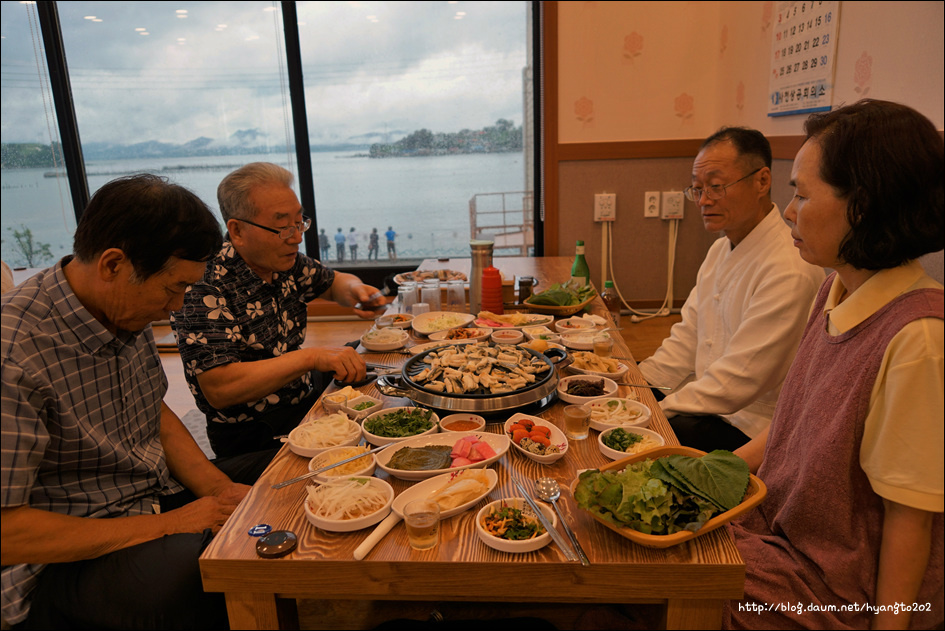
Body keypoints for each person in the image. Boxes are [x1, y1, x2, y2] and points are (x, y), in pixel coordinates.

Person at [726, 100, 943, 629]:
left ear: (862, 207)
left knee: (647, 594)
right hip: (781, 537)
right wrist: (706, 473)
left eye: (801, 192)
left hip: (836, 591)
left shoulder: (918, 337)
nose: (787, 210)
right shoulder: (837, 285)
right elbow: (793, 424)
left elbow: (910, 519)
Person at [1, 174, 248, 629]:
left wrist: (218, 491)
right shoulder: (15, 354)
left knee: (279, 477)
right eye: (172, 288)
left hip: (148, 497)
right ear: (113, 264)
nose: (176, 307)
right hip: (61, 561)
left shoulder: (122, 308)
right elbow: (8, 532)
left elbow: (152, 411)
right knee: (222, 566)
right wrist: (173, 525)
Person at [173, 163, 385, 459]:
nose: (296, 237)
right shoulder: (204, 284)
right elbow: (220, 387)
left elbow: (333, 282)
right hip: (251, 435)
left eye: (299, 222)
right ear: (237, 230)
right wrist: (310, 357)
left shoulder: (282, 260)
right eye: (281, 226)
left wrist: (358, 290)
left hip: (303, 405)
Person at [638, 127, 824, 452]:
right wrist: (637, 388)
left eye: (716, 186)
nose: (704, 200)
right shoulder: (720, 250)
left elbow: (739, 381)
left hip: (752, 428)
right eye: (697, 189)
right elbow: (686, 338)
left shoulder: (789, 267)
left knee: (644, 441)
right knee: (613, 409)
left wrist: (654, 411)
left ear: (761, 181)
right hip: (708, 403)